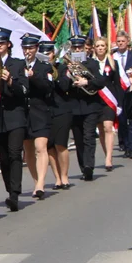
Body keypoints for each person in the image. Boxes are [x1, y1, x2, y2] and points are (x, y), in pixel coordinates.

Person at [0, 27, 29, 212]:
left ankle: (15, 194)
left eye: (2, 43)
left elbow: (24, 91)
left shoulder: (18, 64)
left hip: (15, 115)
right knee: (3, 158)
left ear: (8, 44)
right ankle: (9, 189)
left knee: (14, 153)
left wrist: (10, 80)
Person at [66, 36, 105, 181]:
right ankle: (83, 167)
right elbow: (62, 85)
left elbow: (101, 81)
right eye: (74, 48)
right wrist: (71, 80)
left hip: (90, 106)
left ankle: (89, 166)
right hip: (74, 106)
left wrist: (86, 81)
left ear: (84, 48)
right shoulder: (66, 65)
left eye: (79, 47)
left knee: (89, 137)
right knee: (79, 139)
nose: (77, 50)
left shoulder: (92, 63)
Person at [20, 34, 53, 200]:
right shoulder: (18, 66)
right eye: (25, 48)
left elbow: (48, 87)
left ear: (36, 49)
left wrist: (33, 76)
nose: (28, 51)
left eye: (31, 48)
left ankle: (41, 182)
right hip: (24, 114)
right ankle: (36, 181)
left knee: (41, 147)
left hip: (40, 112)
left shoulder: (44, 66)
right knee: (29, 151)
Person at [44, 40, 74, 189]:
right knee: (49, 146)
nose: (46, 56)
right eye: (43, 54)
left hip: (62, 109)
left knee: (60, 144)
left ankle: (65, 176)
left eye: (48, 53)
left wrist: (53, 74)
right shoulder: (38, 69)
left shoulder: (62, 68)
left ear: (53, 54)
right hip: (45, 111)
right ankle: (57, 177)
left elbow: (65, 85)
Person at [112, 31, 132, 159]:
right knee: (122, 120)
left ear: (127, 42)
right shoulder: (113, 57)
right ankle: (124, 145)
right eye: (118, 41)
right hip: (118, 92)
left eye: (123, 41)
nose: (120, 43)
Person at [92, 38, 120, 172]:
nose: (100, 48)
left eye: (103, 45)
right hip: (96, 100)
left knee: (108, 126)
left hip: (109, 100)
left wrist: (119, 103)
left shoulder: (113, 63)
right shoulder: (91, 63)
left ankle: (109, 157)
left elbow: (117, 84)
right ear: (94, 48)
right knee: (101, 129)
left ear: (106, 47)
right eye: (98, 46)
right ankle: (106, 153)